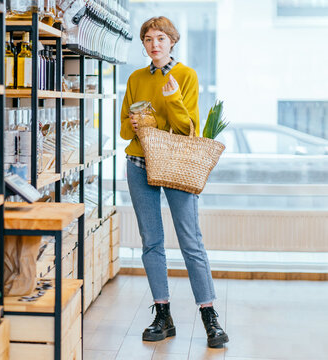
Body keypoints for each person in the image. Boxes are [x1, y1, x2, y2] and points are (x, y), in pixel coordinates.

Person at [120, 16, 229, 348]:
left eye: (161, 39)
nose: (155, 44)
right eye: (149, 39)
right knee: (151, 241)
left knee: (190, 241)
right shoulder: (136, 78)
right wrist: (138, 124)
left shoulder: (186, 76)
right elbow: (125, 130)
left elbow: (188, 128)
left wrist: (171, 98)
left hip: (177, 164)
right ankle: (162, 314)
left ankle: (210, 316)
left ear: (172, 42)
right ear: (144, 45)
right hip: (139, 164)